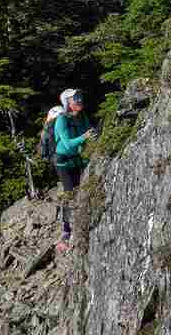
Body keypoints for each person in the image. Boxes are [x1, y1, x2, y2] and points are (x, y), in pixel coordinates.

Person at [54, 88, 96, 252]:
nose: (79, 99)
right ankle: (66, 231)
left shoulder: (82, 116)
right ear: (67, 103)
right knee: (70, 194)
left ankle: (81, 222)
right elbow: (67, 144)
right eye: (75, 98)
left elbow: (87, 134)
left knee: (80, 191)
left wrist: (92, 136)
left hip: (77, 159)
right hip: (63, 162)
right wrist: (85, 137)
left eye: (79, 96)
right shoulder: (61, 120)